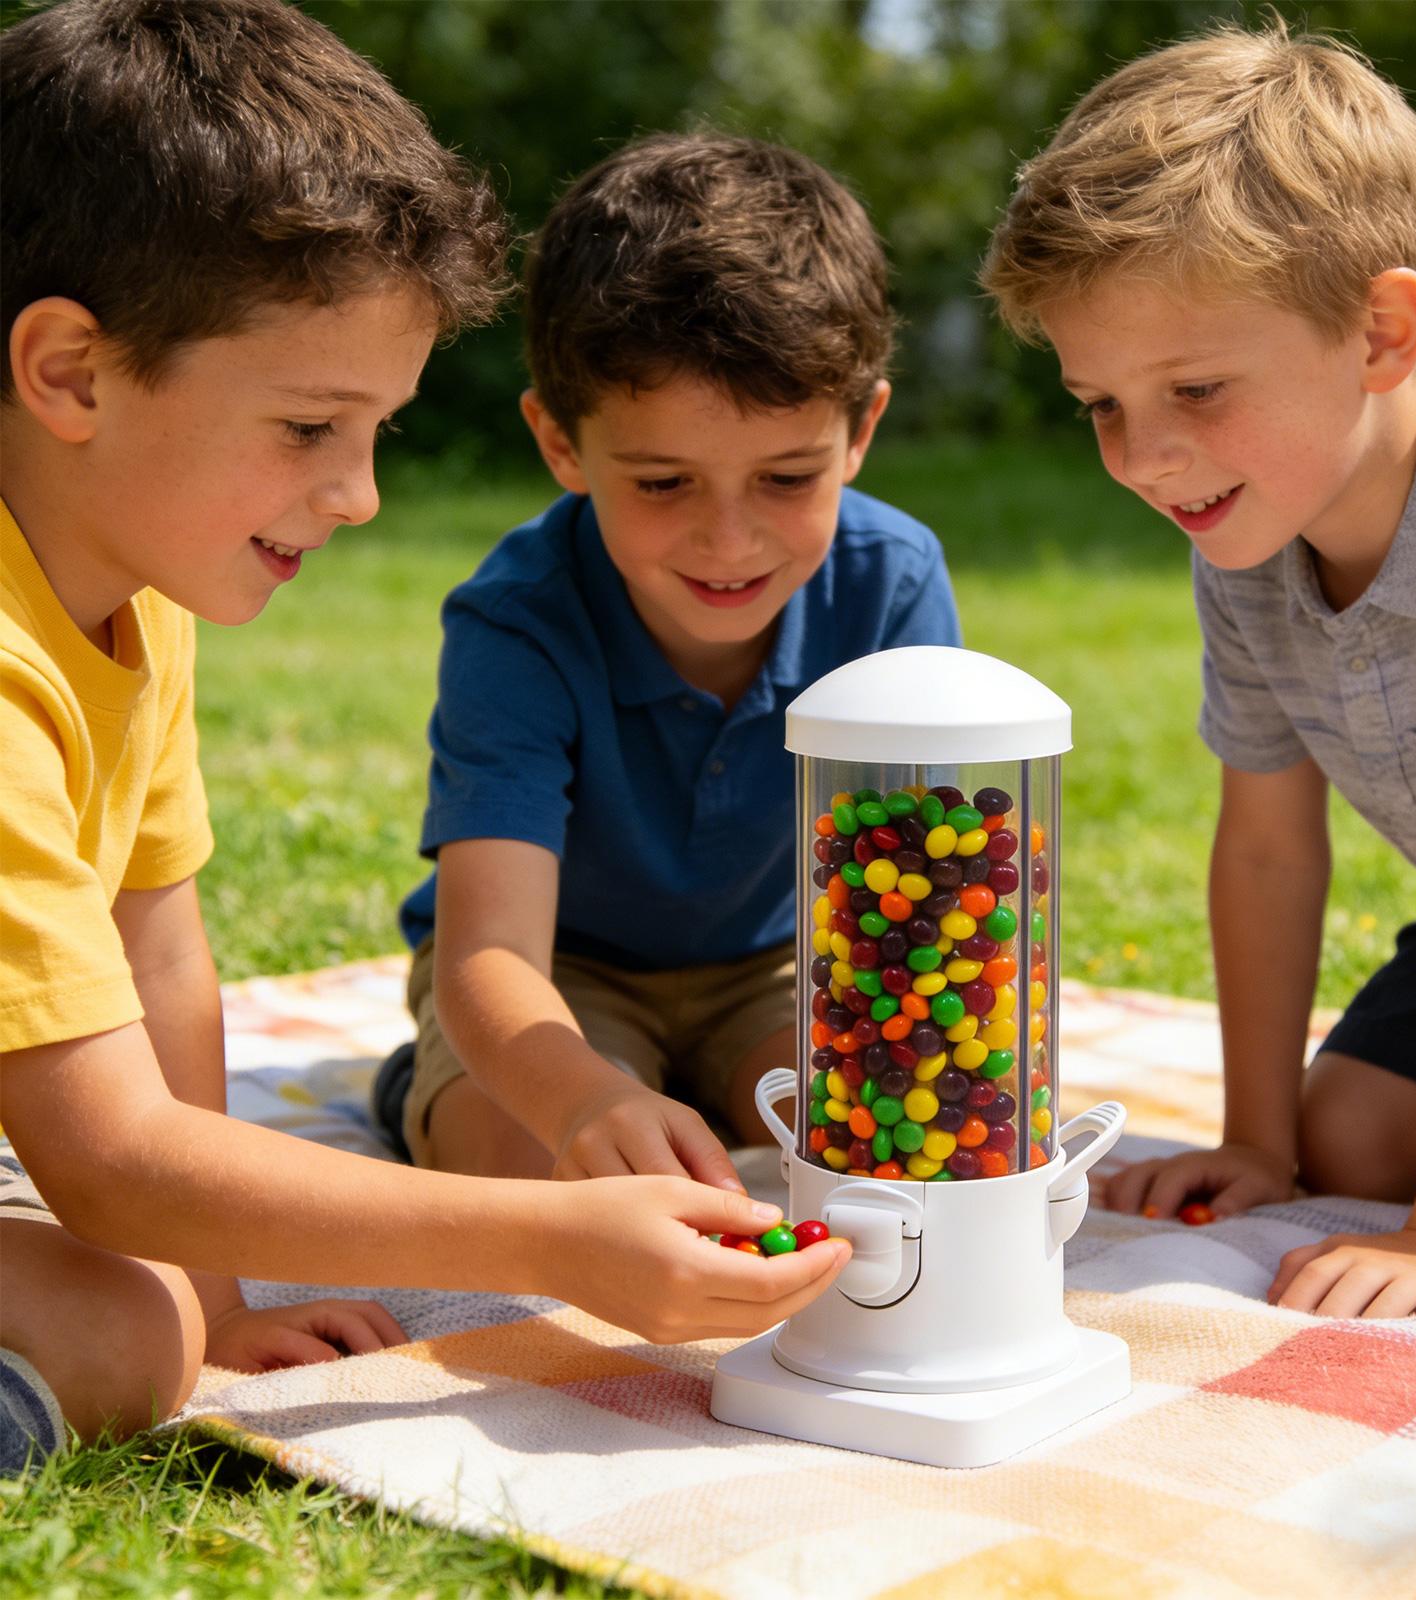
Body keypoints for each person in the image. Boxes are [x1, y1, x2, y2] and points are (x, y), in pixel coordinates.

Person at [0, 0, 847, 1473]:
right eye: (311, 428)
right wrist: (555, 1240)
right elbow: (108, 1153)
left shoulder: (131, 590)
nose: (360, 496)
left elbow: (160, 950)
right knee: (118, 1342)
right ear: (70, 372)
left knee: (156, 1323)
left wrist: (218, 1294)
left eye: (374, 432)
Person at [981, 20, 1416, 1317]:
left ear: (1381, 329)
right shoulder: (1249, 534)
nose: (1145, 455)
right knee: (1351, 1138)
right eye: (1102, 404)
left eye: (1195, 388)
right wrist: (1256, 1139)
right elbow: (1266, 842)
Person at [374, 133, 961, 1185]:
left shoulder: (892, 582)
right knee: (529, 1162)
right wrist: (587, 1098)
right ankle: (432, 1082)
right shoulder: (518, 622)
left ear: (859, 428)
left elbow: (915, 905)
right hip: (560, 972)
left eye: (786, 478)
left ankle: (682, 1087)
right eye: (660, 483)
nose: (728, 541)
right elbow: (491, 953)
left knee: (889, 1134)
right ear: (561, 443)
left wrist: (893, 1069)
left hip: (781, 971)